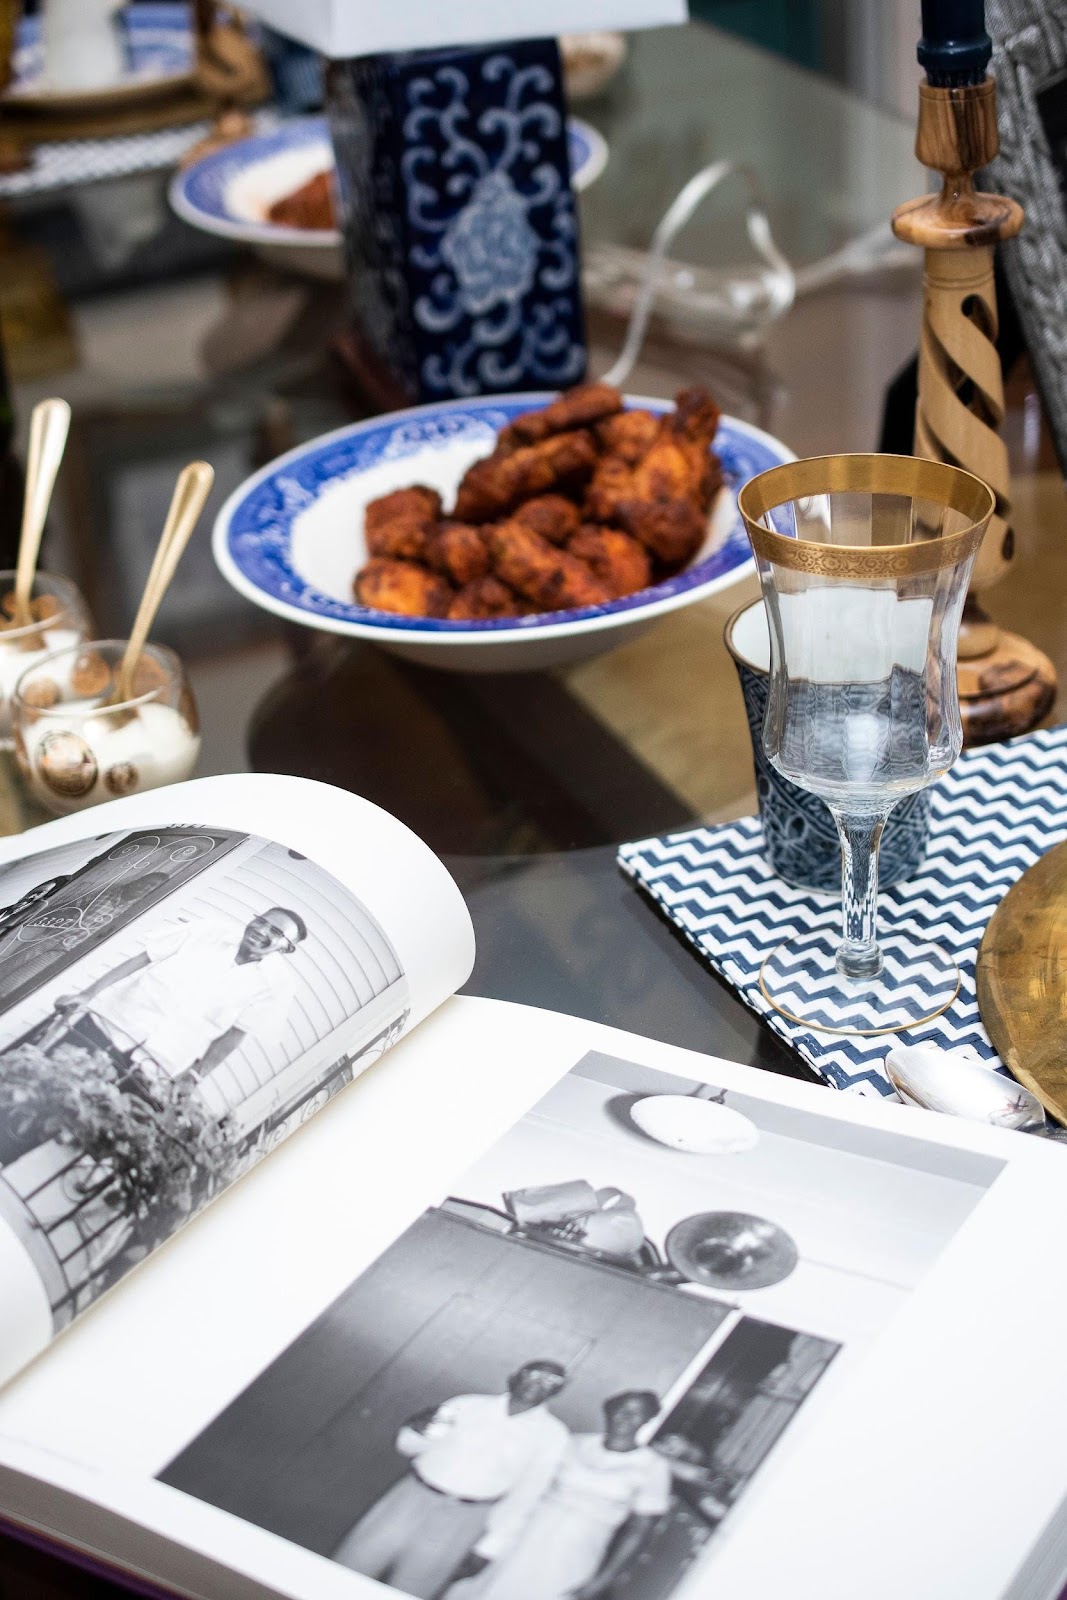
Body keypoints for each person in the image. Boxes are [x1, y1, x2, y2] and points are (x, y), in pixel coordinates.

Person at [332, 1360, 571, 1599]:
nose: (538, 1383)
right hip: (410, 1498)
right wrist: (416, 1430)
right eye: (533, 1374)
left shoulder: (553, 1436)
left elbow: (527, 1495)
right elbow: (407, 1447)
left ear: (558, 1390)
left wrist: (490, 1548)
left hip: (465, 1519)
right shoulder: (466, 1404)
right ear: (514, 1376)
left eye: (551, 1381)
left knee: (412, 1589)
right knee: (348, 1569)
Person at [449, 1390, 671, 1600]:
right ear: (609, 1410)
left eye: (637, 1413)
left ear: (647, 1420)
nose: (626, 1417)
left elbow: (639, 1532)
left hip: (576, 1552)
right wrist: (492, 1542)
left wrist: (603, 1580)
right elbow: (528, 1492)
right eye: (621, 1409)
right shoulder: (574, 1443)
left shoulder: (653, 1466)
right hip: (526, 1537)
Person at [46, 907, 307, 1082]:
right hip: (104, 1027)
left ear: (287, 948)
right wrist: (87, 994)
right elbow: (143, 959)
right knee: (37, 1081)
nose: (261, 930)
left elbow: (235, 1035)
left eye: (276, 932)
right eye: (261, 921)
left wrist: (195, 1076)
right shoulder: (208, 931)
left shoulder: (275, 986)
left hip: (152, 1066)